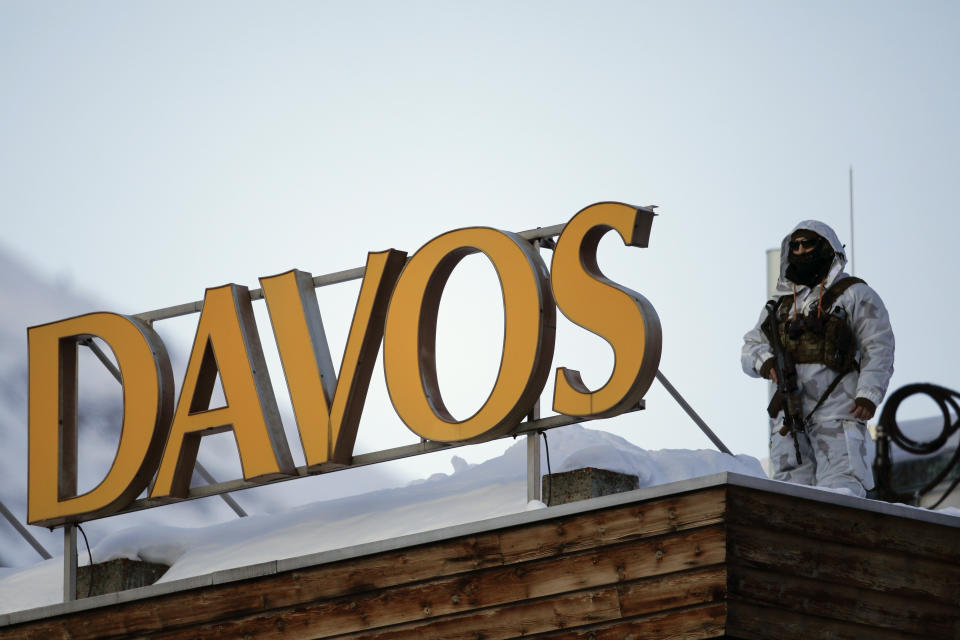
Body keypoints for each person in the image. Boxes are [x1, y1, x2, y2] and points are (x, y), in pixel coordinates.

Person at [742, 220, 894, 497]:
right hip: (789, 416)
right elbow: (750, 346)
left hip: (838, 413)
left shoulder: (854, 295)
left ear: (826, 248)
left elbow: (879, 345)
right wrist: (766, 362)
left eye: (808, 244)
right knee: (790, 495)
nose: (801, 251)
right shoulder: (781, 306)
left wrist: (869, 394)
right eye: (796, 246)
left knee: (841, 491)